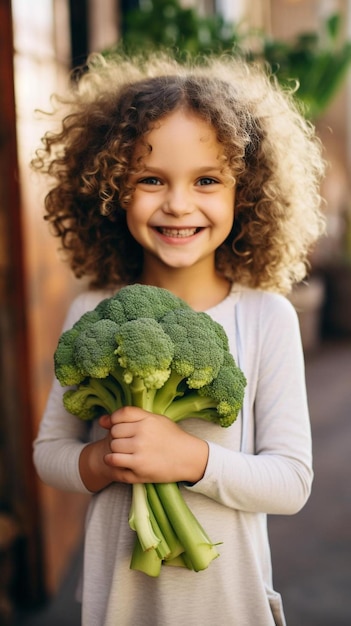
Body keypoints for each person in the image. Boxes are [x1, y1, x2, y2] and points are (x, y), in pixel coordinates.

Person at [32, 52, 326, 626]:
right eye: (151, 179)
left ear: (248, 193)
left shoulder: (266, 317)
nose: (178, 204)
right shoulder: (92, 311)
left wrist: (188, 458)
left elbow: (291, 482)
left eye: (207, 180)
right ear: (113, 188)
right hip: (117, 602)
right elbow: (49, 455)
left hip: (227, 603)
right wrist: (105, 461)